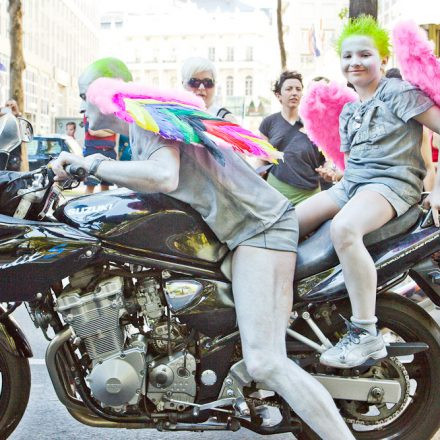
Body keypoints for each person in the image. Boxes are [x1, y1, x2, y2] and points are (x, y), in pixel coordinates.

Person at [50, 57, 354, 439]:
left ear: (105, 93)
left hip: (260, 231)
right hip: (247, 231)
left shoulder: (148, 120)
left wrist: (91, 164)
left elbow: (163, 175)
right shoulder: (148, 121)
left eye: (83, 96)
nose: (80, 106)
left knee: (266, 362)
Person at [295, 16, 440, 368]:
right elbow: (353, 163)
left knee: (344, 228)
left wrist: (437, 190)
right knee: (282, 224)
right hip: (352, 186)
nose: (354, 62)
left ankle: (366, 333)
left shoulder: (400, 93)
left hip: (391, 185)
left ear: (384, 60)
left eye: (365, 54)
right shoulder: (349, 110)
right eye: (347, 56)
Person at [258, 71, 325, 205]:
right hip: (276, 194)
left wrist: (329, 170)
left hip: (310, 195)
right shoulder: (268, 123)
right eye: (289, 89)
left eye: (298, 89)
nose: (294, 92)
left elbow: (326, 158)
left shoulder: (315, 122)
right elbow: (262, 160)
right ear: (279, 95)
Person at [181, 57, 237, 122]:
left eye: (207, 82)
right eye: (194, 82)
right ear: (183, 84)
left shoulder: (227, 119)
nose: (201, 87)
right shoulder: (173, 116)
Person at [82, 115, 118, 194]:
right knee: (90, 185)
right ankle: (86, 206)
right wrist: (110, 130)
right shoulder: (90, 113)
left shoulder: (113, 115)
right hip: (92, 151)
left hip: (109, 152)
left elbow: (116, 130)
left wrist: (102, 130)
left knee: (106, 185)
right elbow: (93, 132)